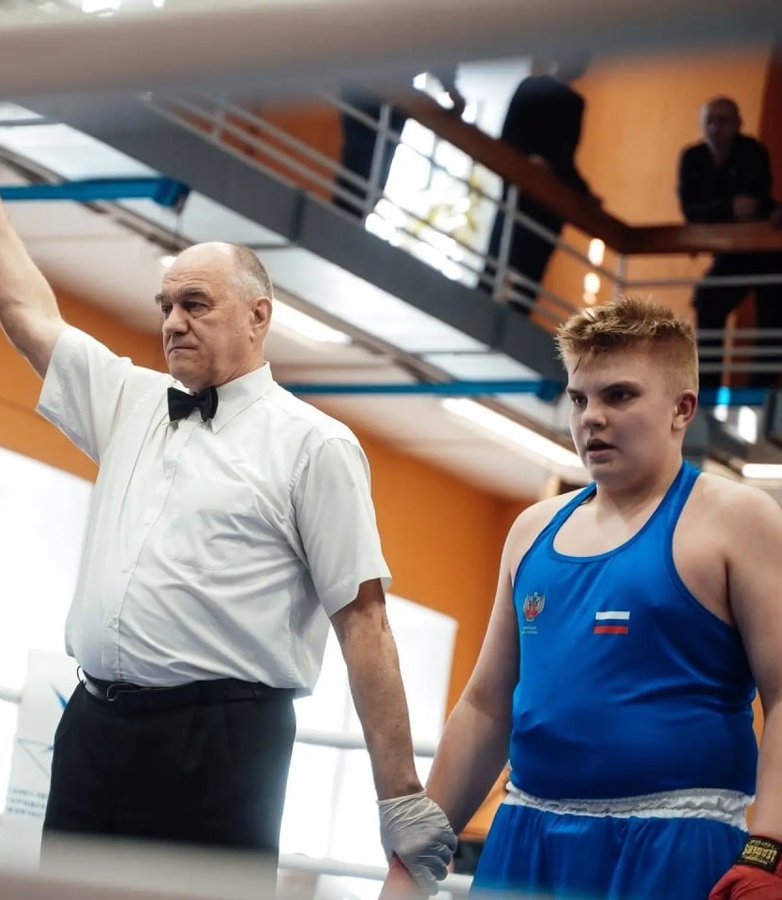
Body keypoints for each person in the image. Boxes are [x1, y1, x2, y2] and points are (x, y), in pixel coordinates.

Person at [0, 117, 456, 894]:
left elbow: (364, 620)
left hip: (222, 743)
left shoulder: (315, 445)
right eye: (166, 304)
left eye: (196, 304)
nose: (172, 322)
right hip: (93, 726)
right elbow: (32, 316)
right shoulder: (131, 400)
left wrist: (398, 793)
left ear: (258, 316)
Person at [380, 296, 780, 899]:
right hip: (527, 838)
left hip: (673, 845)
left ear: (682, 408)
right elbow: (487, 706)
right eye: (578, 398)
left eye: (618, 396)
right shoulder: (531, 530)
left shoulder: (737, 519)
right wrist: (415, 857)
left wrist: (769, 847)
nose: (591, 417)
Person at [678, 96, 782, 390]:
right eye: (709, 121)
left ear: (738, 124)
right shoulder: (693, 158)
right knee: (707, 299)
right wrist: (727, 208)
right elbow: (691, 210)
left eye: (723, 120)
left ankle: (760, 388)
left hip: (765, 251)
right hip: (732, 252)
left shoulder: (752, 151)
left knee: (772, 312)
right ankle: (708, 386)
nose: (715, 127)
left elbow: (752, 204)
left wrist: (721, 211)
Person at [482, 56, 594, 314]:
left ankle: (511, 314)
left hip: (548, 203)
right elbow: (508, 140)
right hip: (522, 192)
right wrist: (529, 161)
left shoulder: (575, 102)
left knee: (527, 275)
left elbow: (565, 159)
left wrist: (584, 192)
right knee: (500, 259)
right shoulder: (533, 88)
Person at [334, 68, 466, 219]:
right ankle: (346, 216)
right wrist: (451, 88)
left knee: (368, 166)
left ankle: (348, 216)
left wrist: (451, 87)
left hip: (386, 89)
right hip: (374, 84)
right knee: (364, 164)